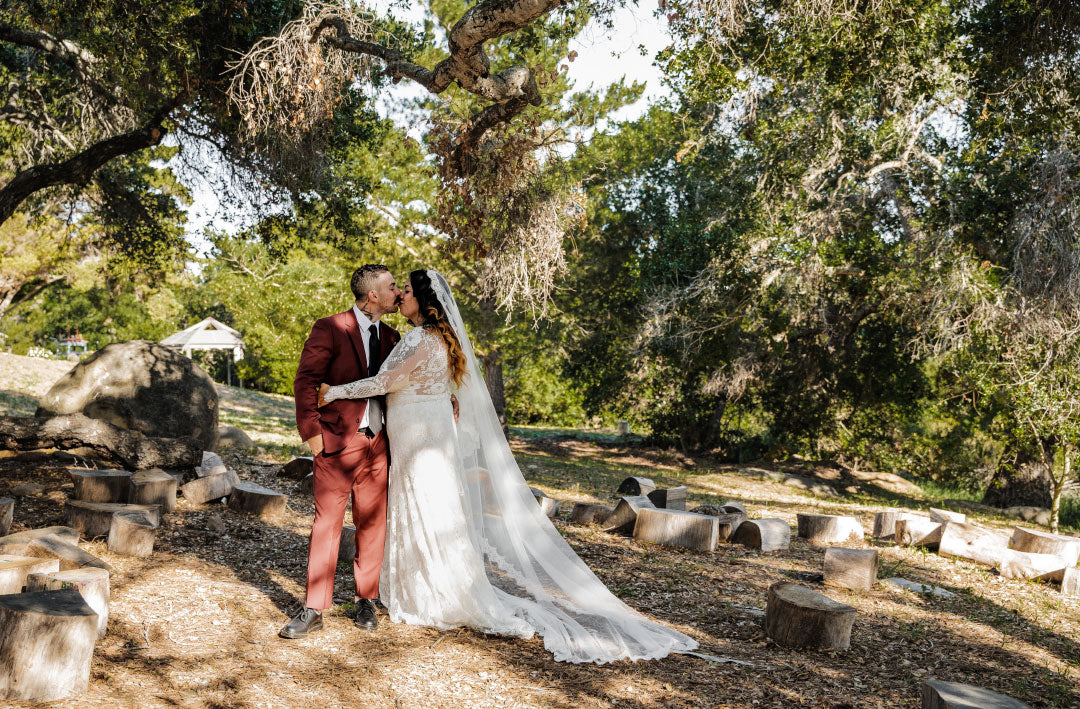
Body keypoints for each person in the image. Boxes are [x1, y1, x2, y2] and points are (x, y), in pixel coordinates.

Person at [317, 269, 698, 663]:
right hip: (427, 435)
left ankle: (431, 594)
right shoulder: (439, 340)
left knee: (422, 508)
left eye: (407, 291)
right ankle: (430, 586)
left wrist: (334, 392)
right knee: (430, 508)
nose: (400, 297)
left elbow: (385, 381)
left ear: (426, 303)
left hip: (419, 439)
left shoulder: (418, 337)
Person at [280, 264, 401, 639]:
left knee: (372, 523)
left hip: (379, 444)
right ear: (373, 296)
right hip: (335, 442)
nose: (398, 291)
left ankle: (366, 599)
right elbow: (306, 380)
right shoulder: (330, 328)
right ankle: (314, 607)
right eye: (392, 286)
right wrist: (312, 434)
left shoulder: (394, 336)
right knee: (327, 524)